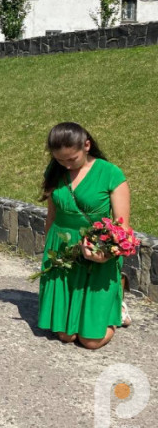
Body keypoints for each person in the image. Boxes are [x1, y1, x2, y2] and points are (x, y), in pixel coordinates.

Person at [36, 122, 132, 350]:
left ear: (87, 145)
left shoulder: (110, 173)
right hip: (62, 250)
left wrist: (106, 253)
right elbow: (52, 215)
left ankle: (117, 305)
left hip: (98, 250)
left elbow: (123, 227)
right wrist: (49, 251)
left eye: (72, 159)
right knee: (65, 336)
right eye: (60, 160)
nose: (66, 165)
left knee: (91, 341)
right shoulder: (55, 172)